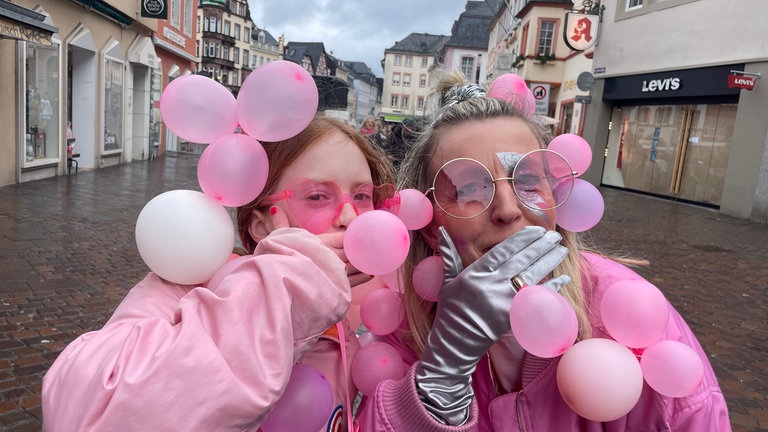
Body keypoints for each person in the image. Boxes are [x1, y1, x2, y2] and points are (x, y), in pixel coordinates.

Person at [354, 73, 731, 431]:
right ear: (433, 228)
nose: (508, 208)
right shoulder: (405, 329)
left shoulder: (629, 316)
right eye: (468, 188)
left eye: (529, 179)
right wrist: (440, 375)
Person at [42, 116, 396, 431]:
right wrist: (293, 282)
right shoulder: (185, 287)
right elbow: (88, 412)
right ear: (261, 225)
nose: (350, 217)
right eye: (318, 196)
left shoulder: (340, 325)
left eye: (362, 196)